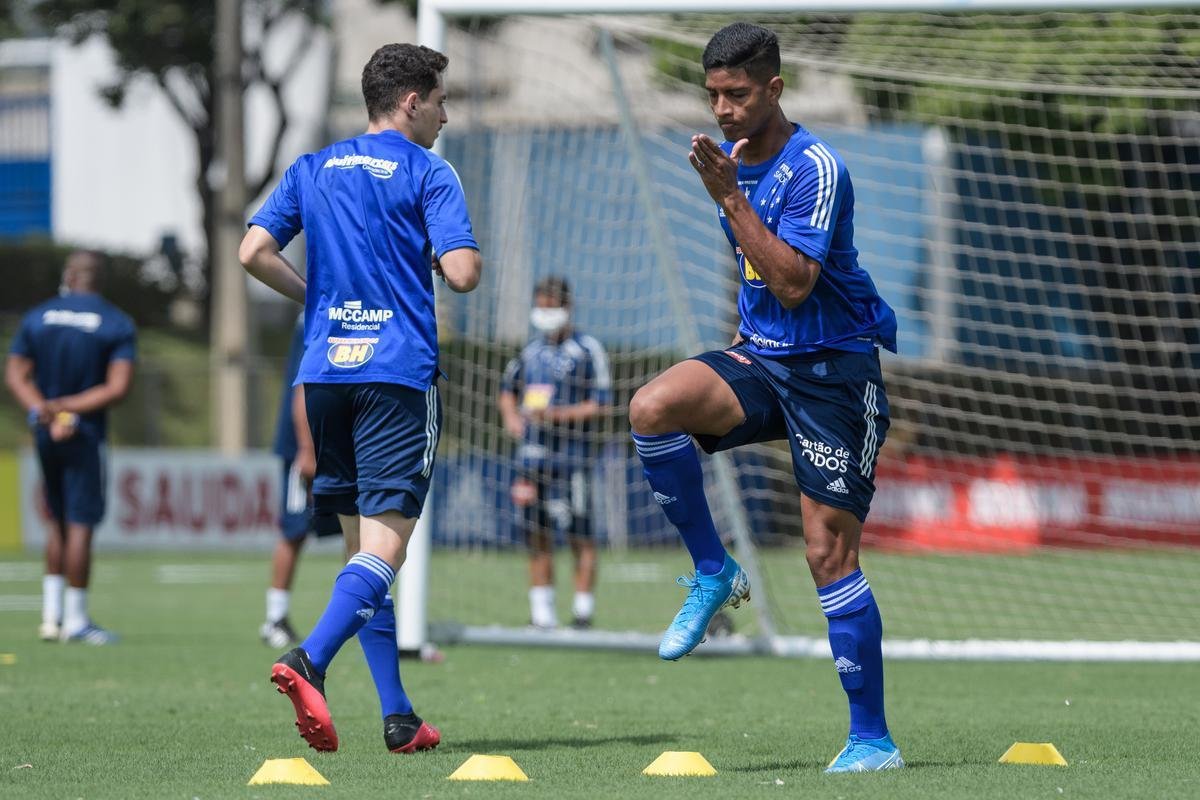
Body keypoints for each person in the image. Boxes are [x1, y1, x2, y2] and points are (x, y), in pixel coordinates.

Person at [626, 23, 903, 773]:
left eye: (737, 94)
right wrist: (728, 188)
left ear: (774, 89)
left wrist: (727, 197)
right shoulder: (733, 159)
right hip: (764, 360)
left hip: (834, 375)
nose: (721, 109)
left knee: (827, 553)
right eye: (712, 94)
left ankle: (871, 739)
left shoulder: (816, 167)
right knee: (651, 407)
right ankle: (715, 572)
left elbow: (792, 282)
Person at [239, 42, 481, 755]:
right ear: (411, 101)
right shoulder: (429, 171)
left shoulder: (313, 166)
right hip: (396, 375)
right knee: (385, 547)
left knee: (361, 550)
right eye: (440, 100)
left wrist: (315, 296)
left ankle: (399, 717)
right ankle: (307, 658)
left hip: (326, 375)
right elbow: (463, 275)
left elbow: (253, 250)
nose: (445, 113)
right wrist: (440, 252)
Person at [5, 250, 136, 646]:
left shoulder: (39, 316)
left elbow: (15, 372)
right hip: (84, 433)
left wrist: (42, 409)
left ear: (68, 276)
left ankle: (50, 616)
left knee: (56, 520)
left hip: (46, 432)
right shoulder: (115, 321)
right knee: (80, 524)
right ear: (99, 280)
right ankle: (76, 619)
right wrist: (68, 410)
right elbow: (117, 387)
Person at [499, 277, 610, 630]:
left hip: (572, 458)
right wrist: (512, 417)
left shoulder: (588, 350)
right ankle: (542, 613)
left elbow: (601, 405)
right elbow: (506, 391)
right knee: (536, 533)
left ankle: (582, 611)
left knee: (580, 533)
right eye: (540, 308)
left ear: (566, 307)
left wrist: (556, 416)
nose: (545, 315)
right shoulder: (530, 352)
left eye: (551, 307)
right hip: (532, 459)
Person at [260, 315, 342, 649]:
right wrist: (307, 448)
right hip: (307, 443)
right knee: (294, 531)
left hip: (334, 443)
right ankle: (274, 618)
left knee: (357, 532)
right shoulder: (319, 314)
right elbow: (304, 384)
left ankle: (352, 615)